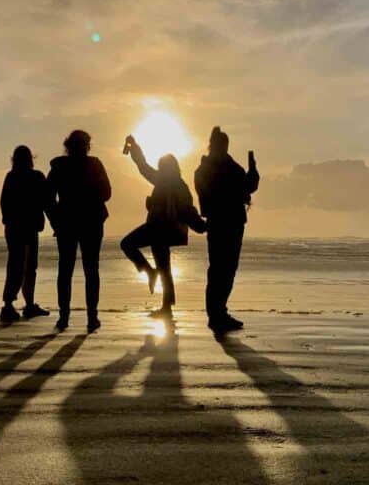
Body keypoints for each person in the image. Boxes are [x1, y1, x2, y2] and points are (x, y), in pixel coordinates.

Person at [120, 135, 206, 318]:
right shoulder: (162, 180)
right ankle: (161, 295)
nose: (160, 170)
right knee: (163, 266)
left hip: (164, 229)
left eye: (162, 167)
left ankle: (161, 294)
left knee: (129, 245)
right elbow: (143, 167)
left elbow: (187, 209)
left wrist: (201, 225)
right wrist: (134, 147)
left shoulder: (177, 186)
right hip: (158, 228)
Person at [194, 126, 260, 333]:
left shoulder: (202, 170)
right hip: (229, 222)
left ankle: (216, 313)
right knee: (226, 269)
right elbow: (249, 186)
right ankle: (218, 314)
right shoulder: (229, 167)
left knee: (217, 269)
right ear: (223, 146)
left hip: (217, 222)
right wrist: (253, 170)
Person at [46, 129, 111, 333]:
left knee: (65, 269)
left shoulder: (59, 166)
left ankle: (64, 316)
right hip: (91, 221)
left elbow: (48, 199)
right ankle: (92, 317)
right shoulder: (94, 164)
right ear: (86, 145)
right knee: (91, 269)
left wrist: (56, 220)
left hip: (67, 222)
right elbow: (107, 193)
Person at [0, 145, 51, 323]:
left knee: (17, 265)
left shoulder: (11, 177)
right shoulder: (36, 177)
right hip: (28, 227)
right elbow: (47, 202)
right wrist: (57, 224)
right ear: (31, 159)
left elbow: (4, 202)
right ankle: (19, 305)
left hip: (14, 227)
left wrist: (8, 219)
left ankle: (13, 304)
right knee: (26, 267)